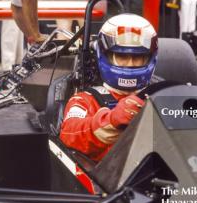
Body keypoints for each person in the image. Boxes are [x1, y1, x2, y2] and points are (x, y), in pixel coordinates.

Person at [60, 14, 157, 161]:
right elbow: (69, 133)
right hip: (109, 179)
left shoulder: (159, 95)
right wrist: (111, 121)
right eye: (122, 57)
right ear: (105, 55)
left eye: (137, 57)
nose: (130, 64)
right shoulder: (84, 100)